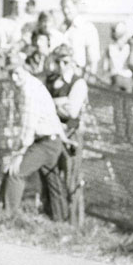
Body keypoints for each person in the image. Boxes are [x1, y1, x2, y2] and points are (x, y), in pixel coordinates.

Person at [1, 54, 69, 220]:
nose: (14, 77)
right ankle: (61, 220)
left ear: (25, 69)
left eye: (17, 72)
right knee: (52, 182)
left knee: (16, 172)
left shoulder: (29, 90)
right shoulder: (31, 85)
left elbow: (28, 125)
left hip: (47, 142)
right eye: (11, 74)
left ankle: (9, 217)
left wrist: (19, 153)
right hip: (51, 141)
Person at [43, 44, 89, 221]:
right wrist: (60, 103)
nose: (62, 65)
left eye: (66, 61)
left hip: (71, 134)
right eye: (58, 61)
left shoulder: (78, 82)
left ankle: (75, 221)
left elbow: (72, 112)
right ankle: (55, 216)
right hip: (53, 133)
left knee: (72, 177)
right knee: (52, 174)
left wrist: (53, 104)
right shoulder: (52, 81)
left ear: (72, 61)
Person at [58, 0, 100, 78]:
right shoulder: (61, 28)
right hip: (61, 74)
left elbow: (93, 57)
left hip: (78, 74)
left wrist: (91, 75)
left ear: (76, 7)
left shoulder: (86, 27)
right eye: (63, 8)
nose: (65, 11)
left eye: (68, 7)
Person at [103, 22, 133, 92]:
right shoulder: (129, 47)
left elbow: (105, 67)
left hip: (115, 77)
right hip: (126, 78)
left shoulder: (110, 47)